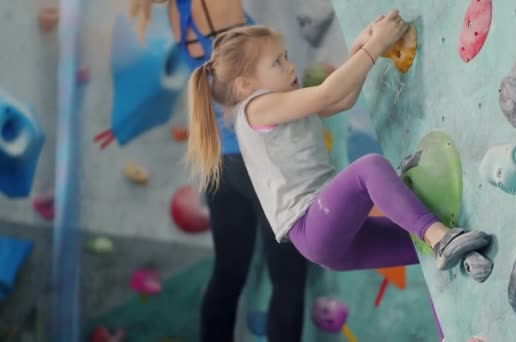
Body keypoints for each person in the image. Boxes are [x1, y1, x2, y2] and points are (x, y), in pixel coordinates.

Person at [187, 8, 494, 275]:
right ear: (245, 85)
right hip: (312, 224)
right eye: (277, 63)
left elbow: (341, 100)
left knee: (415, 244)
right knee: (369, 169)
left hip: (329, 231)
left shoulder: (277, 105)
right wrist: (374, 46)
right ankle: (442, 239)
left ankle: (466, 256)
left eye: (286, 57)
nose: (290, 66)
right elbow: (327, 93)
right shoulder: (255, 109)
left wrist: (359, 50)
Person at [129, 1, 308, 341]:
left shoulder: (176, 10)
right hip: (257, 158)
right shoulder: (212, 4)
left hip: (221, 165)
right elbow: (251, 83)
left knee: (228, 274)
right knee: (288, 278)